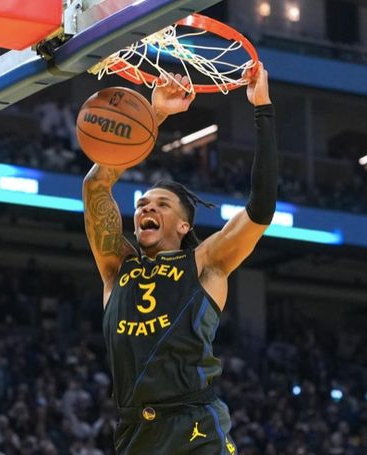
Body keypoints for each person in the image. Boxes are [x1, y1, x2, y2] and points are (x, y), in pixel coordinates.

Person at [82, 63, 277, 454]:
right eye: (142, 203)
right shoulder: (117, 267)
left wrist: (262, 109)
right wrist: (153, 115)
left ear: (184, 226)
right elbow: (95, 186)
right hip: (134, 430)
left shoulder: (205, 264)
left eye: (161, 204)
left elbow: (260, 210)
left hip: (194, 425)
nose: (146, 208)